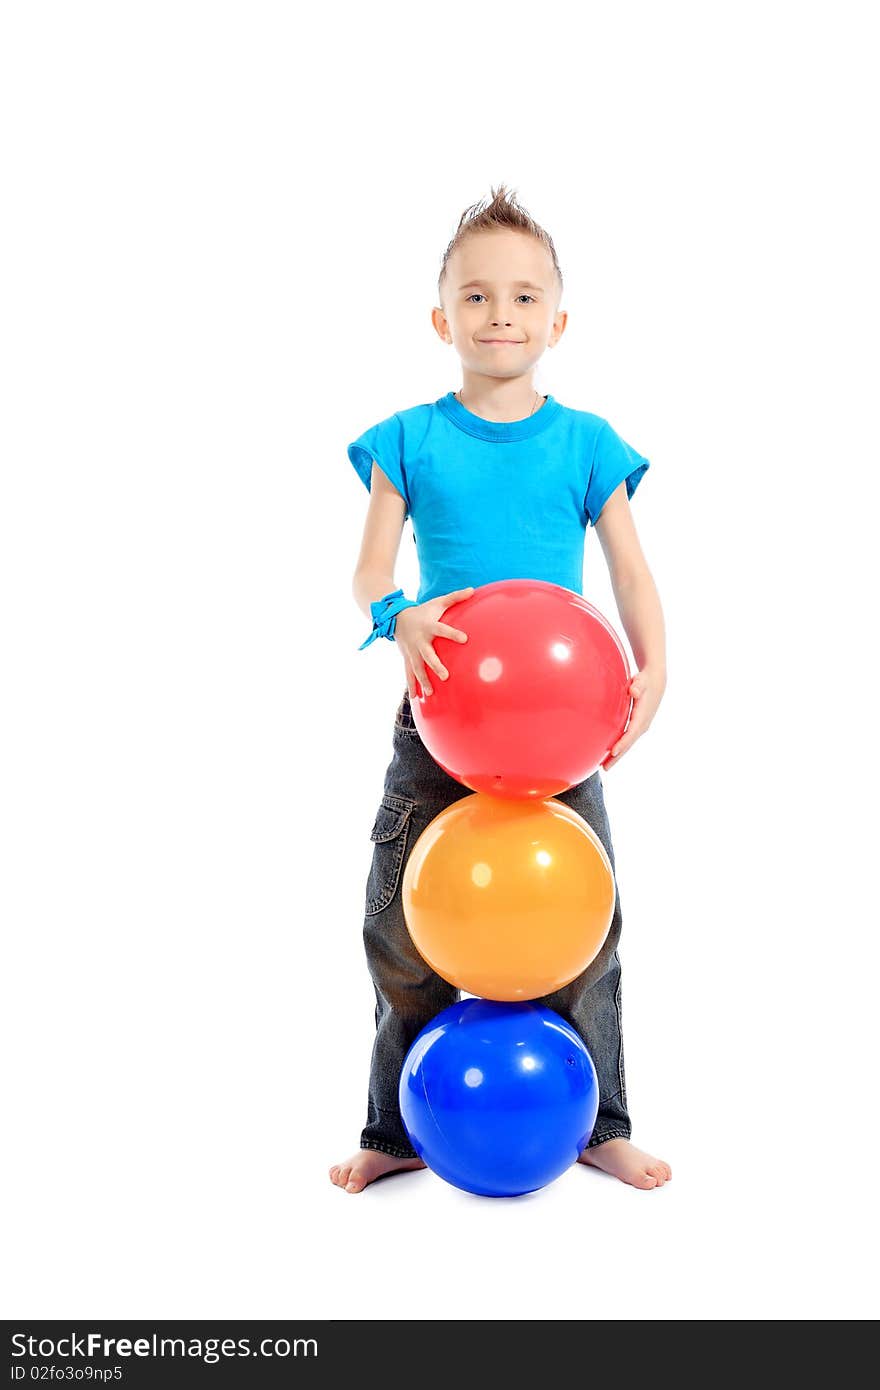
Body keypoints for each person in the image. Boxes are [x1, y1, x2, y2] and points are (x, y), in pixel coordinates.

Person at [330, 185, 671, 1195]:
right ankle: (392, 1127)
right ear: (443, 319)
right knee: (399, 925)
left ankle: (600, 1120)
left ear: (556, 321)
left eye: (524, 298)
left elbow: (631, 571)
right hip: (442, 716)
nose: (500, 316)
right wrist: (401, 617)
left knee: (588, 926)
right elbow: (367, 572)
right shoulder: (406, 438)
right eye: (475, 298)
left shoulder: (586, 444)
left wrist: (656, 666)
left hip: (564, 729)